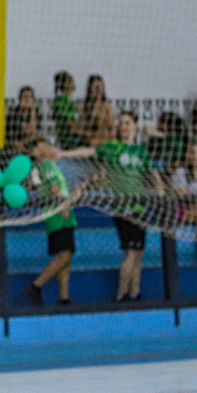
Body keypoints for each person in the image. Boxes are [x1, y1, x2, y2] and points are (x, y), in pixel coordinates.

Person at [56, 112, 163, 302]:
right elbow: (89, 151)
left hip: (139, 207)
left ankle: (135, 292)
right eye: (121, 123)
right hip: (124, 208)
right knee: (131, 251)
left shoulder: (140, 151)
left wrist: (161, 192)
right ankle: (120, 295)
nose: (124, 127)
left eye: (127, 123)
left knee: (139, 253)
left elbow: (153, 174)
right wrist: (63, 154)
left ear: (135, 126)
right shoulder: (113, 148)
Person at [22, 148, 77, 306]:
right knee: (64, 256)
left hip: (61, 213)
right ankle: (36, 286)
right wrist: (63, 206)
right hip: (58, 214)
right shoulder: (46, 166)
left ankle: (64, 297)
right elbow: (55, 188)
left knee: (66, 255)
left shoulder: (51, 166)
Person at [81, 75, 115, 148]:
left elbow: (112, 128)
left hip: (105, 144)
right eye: (96, 87)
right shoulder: (82, 107)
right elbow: (80, 129)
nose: (99, 90)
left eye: (101, 87)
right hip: (88, 145)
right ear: (90, 89)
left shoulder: (107, 107)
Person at [52, 70, 84, 150]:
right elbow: (70, 122)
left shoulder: (68, 101)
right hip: (69, 140)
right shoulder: (62, 101)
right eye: (70, 80)